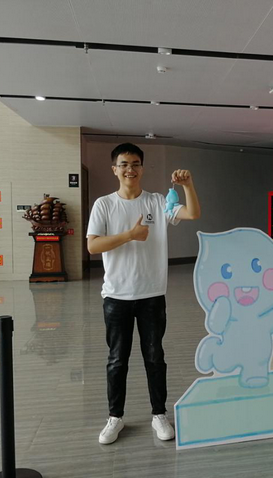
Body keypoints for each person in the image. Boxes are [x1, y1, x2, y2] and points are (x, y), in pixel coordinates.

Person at [87, 143, 200, 444]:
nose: (130, 169)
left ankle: (159, 414)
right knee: (117, 360)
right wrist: (130, 235)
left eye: (136, 164)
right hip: (116, 296)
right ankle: (115, 417)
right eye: (124, 164)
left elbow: (192, 212)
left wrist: (188, 185)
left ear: (142, 168)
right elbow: (93, 245)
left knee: (155, 357)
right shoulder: (104, 205)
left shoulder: (157, 201)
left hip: (151, 294)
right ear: (115, 169)